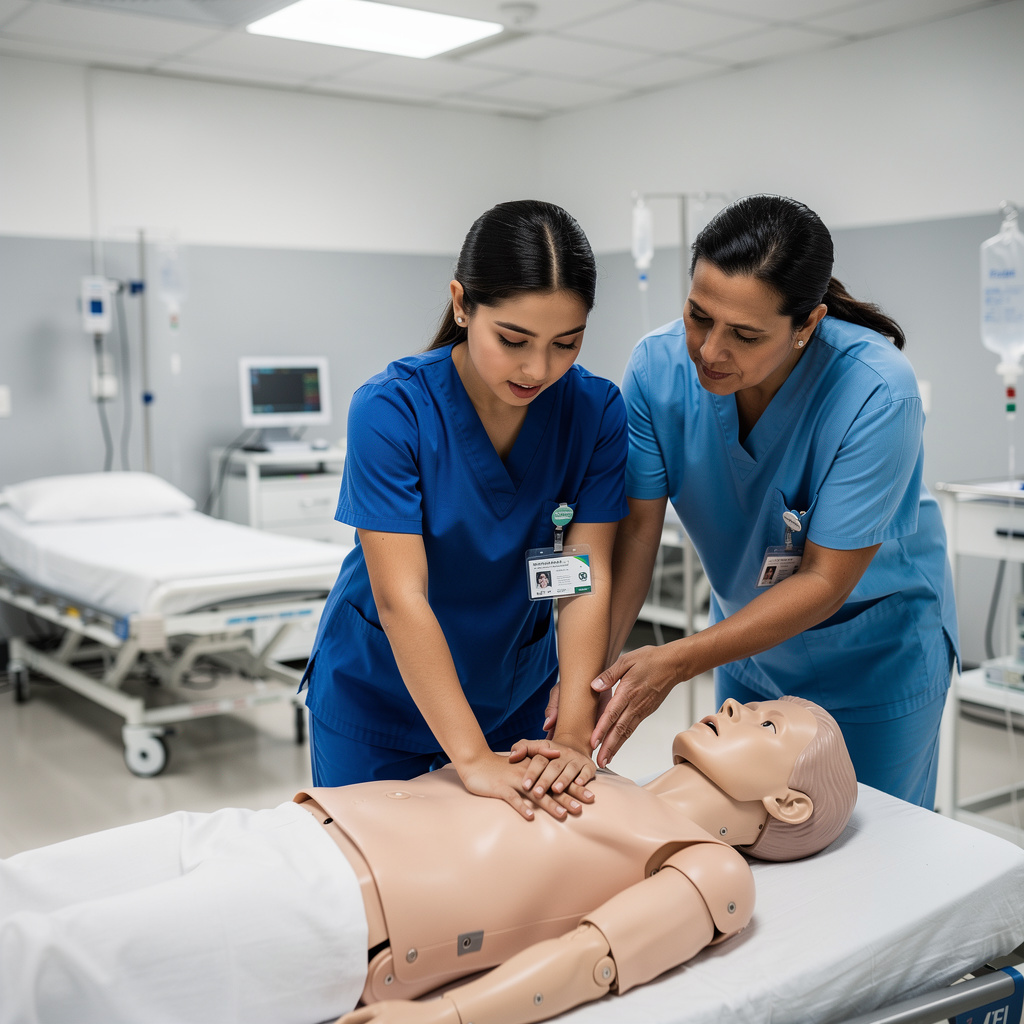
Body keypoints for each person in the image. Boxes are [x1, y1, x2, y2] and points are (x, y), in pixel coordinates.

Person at [0, 697, 858, 1024]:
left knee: (43, 969)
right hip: (283, 829)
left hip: (330, 918)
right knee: (22, 889)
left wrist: (445, 1022)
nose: (740, 701)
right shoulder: (592, 770)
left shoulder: (710, 869)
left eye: (771, 724)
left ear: (786, 804)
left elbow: (589, 960)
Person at [591, 194, 958, 809]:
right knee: (739, 832)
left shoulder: (875, 392)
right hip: (747, 645)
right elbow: (634, 538)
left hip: (874, 654)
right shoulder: (656, 370)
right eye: (698, 316)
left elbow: (824, 580)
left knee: (872, 852)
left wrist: (676, 660)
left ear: (806, 325)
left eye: (745, 334)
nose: (710, 350)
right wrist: (595, 678)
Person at [303, 200, 628, 820]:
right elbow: (402, 598)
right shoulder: (391, 410)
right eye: (513, 339)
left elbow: (583, 576)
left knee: (510, 886)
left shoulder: (595, 412)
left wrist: (571, 734)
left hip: (513, 694)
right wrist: (473, 760)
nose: (539, 368)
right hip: (382, 694)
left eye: (567, 343)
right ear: (461, 304)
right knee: (381, 881)